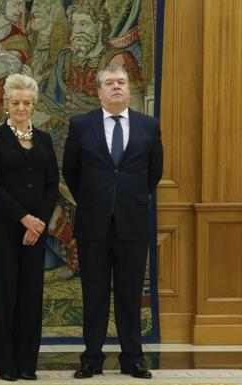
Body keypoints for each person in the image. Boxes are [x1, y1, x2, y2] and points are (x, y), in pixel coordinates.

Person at [62, 64, 163, 379]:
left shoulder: (149, 126)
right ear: (99, 91)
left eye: (121, 82)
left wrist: (128, 198)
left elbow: (154, 172)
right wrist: (95, 200)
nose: (116, 87)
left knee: (130, 293)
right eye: (110, 83)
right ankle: (91, 358)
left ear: (129, 89)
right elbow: (71, 171)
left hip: (132, 223)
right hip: (93, 224)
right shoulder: (81, 125)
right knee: (94, 293)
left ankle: (132, 358)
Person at [0, 73, 59, 381]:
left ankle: (27, 363)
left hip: (36, 231)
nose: (21, 108)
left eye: (27, 103)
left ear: (34, 105)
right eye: (15, 103)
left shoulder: (44, 139)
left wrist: (37, 222)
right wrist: (23, 218)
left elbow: (52, 183)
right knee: (6, 293)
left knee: (30, 294)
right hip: (4, 227)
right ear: (6, 104)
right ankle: (6, 364)